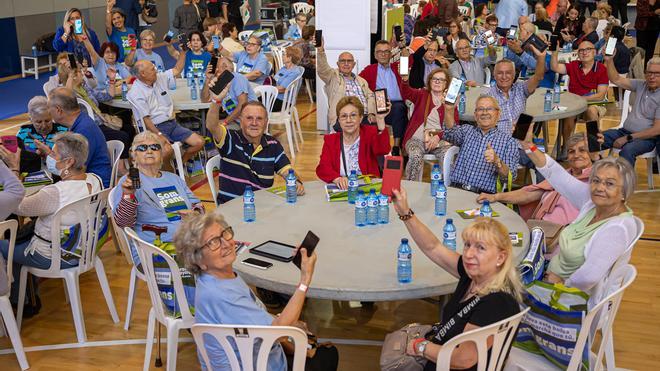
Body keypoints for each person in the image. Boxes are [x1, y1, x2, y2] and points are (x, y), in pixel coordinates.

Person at [175, 213, 338, 371]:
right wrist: (305, 279)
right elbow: (280, 333)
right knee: (329, 354)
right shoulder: (222, 296)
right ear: (199, 261)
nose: (226, 243)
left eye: (224, 234)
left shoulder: (215, 278)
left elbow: (252, 317)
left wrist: (285, 325)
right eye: (213, 242)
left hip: (253, 356)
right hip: (256, 364)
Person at [390, 189, 522, 371]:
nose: (469, 254)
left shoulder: (498, 302)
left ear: (500, 257)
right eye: (467, 245)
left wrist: (419, 347)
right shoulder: (474, 276)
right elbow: (433, 247)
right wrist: (405, 213)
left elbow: (463, 359)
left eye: (480, 248)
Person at [521, 141, 637, 304]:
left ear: (624, 193)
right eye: (595, 180)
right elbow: (557, 176)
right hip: (550, 273)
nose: (599, 187)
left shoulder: (618, 228)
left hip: (569, 299)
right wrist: (529, 146)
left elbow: (588, 277)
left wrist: (558, 283)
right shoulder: (591, 203)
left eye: (609, 184)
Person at [0, 132, 104, 303]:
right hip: (85, 248)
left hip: (53, 255)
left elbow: (16, 204)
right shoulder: (95, 180)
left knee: (4, 245)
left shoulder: (55, 193)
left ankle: (15, 302)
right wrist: (51, 152)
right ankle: (23, 296)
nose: (50, 158)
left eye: (53, 154)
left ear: (69, 162)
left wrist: (14, 168)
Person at [110, 131, 204, 246]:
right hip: (158, 248)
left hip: (192, 239)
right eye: (142, 148)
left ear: (161, 154)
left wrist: (195, 213)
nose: (149, 151)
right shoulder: (127, 182)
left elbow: (198, 205)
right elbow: (124, 223)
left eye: (155, 147)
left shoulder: (174, 179)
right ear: (134, 155)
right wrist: (128, 195)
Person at [477, 134, 593, 226]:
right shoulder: (562, 175)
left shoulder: (595, 180)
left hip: (565, 238)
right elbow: (528, 193)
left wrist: (528, 145)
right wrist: (496, 197)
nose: (576, 155)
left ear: (591, 153)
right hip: (539, 229)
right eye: (571, 151)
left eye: (582, 150)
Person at [206, 101, 305, 204]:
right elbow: (211, 125)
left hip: (261, 207)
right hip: (231, 208)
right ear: (240, 120)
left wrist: (295, 182)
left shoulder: (273, 145)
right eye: (249, 118)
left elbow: (287, 170)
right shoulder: (230, 139)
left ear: (266, 122)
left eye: (259, 118)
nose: (254, 123)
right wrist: (216, 101)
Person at [58, 63, 132, 175]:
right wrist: (70, 77)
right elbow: (66, 98)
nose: (82, 73)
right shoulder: (69, 93)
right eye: (78, 72)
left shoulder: (83, 87)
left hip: (102, 121)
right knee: (122, 136)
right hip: (93, 127)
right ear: (71, 76)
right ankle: (120, 169)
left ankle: (125, 161)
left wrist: (112, 80)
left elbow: (106, 96)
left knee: (130, 129)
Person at [127, 59, 205, 164]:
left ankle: (180, 164)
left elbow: (177, 70)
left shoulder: (159, 78)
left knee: (199, 142)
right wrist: (159, 134)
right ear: (143, 74)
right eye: (152, 69)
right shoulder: (136, 92)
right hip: (153, 128)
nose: (156, 70)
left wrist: (183, 52)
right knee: (167, 151)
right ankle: (167, 175)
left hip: (172, 124)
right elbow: (146, 120)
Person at [443, 96, 520, 194]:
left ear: (498, 114)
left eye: (489, 109)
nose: (484, 112)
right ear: (475, 115)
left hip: (484, 196)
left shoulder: (509, 142)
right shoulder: (466, 131)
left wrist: (497, 161)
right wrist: (449, 110)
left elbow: (510, 177)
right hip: (456, 190)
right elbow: (449, 134)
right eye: (480, 109)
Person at [316, 97, 391, 187]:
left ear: (360, 118)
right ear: (339, 120)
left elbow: (383, 149)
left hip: (368, 190)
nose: (348, 120)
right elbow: (323, 168)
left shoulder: (369, 133)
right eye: (344, 116)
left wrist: (380, 119)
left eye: (353, 115)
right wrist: (337, 179)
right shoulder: (331, 140)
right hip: (343, 190)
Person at [550, 41, 609, 158]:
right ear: (578, 53)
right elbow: (555, 67)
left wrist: (580, 99)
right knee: (569, 114)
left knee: (591, 112)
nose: (584, 52)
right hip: (574, 105)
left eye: (588, 49)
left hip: (594, 103)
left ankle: (594, 149)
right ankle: (568, 147)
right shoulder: (574, 65)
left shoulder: (601, 69)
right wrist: (554, 52)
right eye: (581, 50)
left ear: (594, 52)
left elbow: (600, 95)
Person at [47, 88, 112, 188]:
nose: (48, 111)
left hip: (95, 185)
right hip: (91, 179)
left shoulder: (83, 131)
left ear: (58, 110)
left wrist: (52, 157)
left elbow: (75, 170)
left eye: (49, 108)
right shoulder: (82, 121)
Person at [601, 56, 660, 166]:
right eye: (649, 72)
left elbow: (656, 130)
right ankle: (591, 176)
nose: (652, 77)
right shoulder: (641, 84)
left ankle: (625, 183)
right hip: (623, 131)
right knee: (593, 139)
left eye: (657, 74)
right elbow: (616, 79)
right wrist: (609, 61)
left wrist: (628, 138)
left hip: (646, 139)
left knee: (628, 150)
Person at [401, 67, 457, 181]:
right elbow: (406, 92)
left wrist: (438, 136)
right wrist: (405, 80)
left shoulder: (450, 101)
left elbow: (453, 127)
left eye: (441, 80)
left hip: (440, 140)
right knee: (415, 155)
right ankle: (412, 186)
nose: (437, 81)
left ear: (447, 83)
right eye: (434, 79)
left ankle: (446, 188)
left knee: (448, 156)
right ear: (429, 81)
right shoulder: (422, 94)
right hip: (417, 139)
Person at [359, 40, 408, 150]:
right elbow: (358, 84)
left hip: (399, 104)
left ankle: (396, 146)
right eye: (380, 51)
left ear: (391, 54)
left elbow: (406, 59)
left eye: (386, 51)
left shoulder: (398, 67)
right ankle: (393, 148)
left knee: (400, 109)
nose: (383, 54)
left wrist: (403, 47)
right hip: (380, 104)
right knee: (399, 111)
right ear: (375, 55)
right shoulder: (370, 70)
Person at [316, 40, 376, 127]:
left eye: (349, 61)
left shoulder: (362, 81)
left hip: (364, 117)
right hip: (343, 118)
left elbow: (371, 97)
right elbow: (322, 69)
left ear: (354, 64)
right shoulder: (333, 76)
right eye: (343, 61)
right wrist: (321, 51)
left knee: (377, 127)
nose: (346, 64)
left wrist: (372, 113)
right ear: (337, 64)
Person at [488, 53, 546, 134]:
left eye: (508, 73)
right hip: (499, 141)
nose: (504, 77)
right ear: (494, 75)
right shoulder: (488, 96)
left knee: (526, 119)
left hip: (520, 137)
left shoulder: (521, 88)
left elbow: (538, 76)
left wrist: (541, 56)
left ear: (514, 75)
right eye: (500, 73)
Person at [200, 56, 256, 125]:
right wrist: (208, 79)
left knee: (215, 128)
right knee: (210, 126)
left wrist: (225, 122)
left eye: (217, 67)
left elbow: (243, 104)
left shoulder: (238, 78)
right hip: (235, 120)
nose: (215, 71)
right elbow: (204, 99)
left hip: (249, 121)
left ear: (225, 67)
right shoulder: (220, 81)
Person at [271, 46, 305, 111]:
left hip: (283, 102)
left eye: (284, 54)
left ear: (290, 58)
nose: (282, 56)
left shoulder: (294, 72)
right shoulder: (283, 69)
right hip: (274, 97)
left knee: (255, 103)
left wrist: (267, 88)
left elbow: (282, 89)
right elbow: (275, 80)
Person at [635, 0, 659, 67]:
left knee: (650, 51)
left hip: (655, 28)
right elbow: (640, 13)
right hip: (642, 28)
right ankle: (637, 70)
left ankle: (647, 69)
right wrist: (654, 13)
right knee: (640, 51)